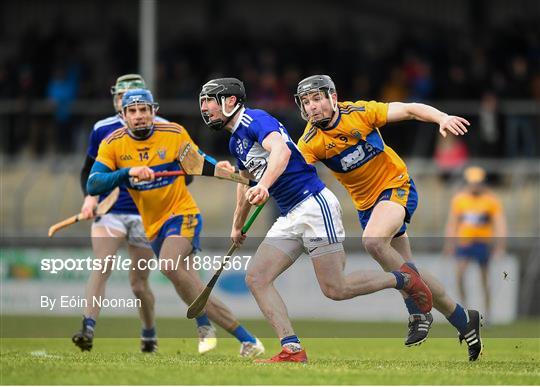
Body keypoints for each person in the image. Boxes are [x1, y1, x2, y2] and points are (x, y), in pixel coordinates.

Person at [199, 77, 433, 363]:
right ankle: (292, 349)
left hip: (313, 205)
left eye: (209, 100)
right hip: (290, 214)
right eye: (202, 102)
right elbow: (245, 181)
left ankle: (403, 279)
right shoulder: (236, 141)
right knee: (257, 277)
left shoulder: (255, 120)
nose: (204, 108)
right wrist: (237, 224)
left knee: (336, 288)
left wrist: (265, 185)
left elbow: (282, 152)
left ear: (230, 101)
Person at [294, 74, 483, 361]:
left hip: (396, 186)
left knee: (372, 241)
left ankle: (417, 310)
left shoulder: (359, 113)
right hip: (367, 207)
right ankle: (463, 319)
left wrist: (441, 117)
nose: (312, 107)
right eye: (306, 102)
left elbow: (408, 109)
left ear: (333, 97)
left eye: (317, 98)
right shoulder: (310, 142)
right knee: (410, 270)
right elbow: (293, 175)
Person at [86, 88, 264, 358]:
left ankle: (232, 334)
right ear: (123, 115)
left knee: (169, 265)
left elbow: (197, 163)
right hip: (153, 225)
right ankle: (243, 338)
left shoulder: (173, 133)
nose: (139, 116)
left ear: (153, 111)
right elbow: (93, 182)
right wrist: (127, 172)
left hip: (183, 214)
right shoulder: (113, 143)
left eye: (144, 110)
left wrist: (220, 168)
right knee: (184, 281)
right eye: (132, 111)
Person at [444, 166, 506, 323]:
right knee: (459, 276)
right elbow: (452, 223)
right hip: (464, 243)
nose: (475, 186)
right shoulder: (459, 200)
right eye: (472, 182)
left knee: (484, 279)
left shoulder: (491, 201)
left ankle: (488, 313)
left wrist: (500, 247)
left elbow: (500, 225)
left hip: (483, 243)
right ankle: (465, 311)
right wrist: (449, 243)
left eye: (477, 182)